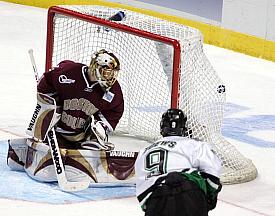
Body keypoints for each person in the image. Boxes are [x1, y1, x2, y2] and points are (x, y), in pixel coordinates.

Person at [7, 49, 128, 183]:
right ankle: (36, 150)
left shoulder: (113, 90)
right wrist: (52, 106)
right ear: (95, 67)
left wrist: (101, 125)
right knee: (45, 147)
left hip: (81, 135)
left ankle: (82, 163)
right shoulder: (69, 72)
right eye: (106, 72)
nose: (110, 77)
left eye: (113, 73)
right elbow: (46, 81)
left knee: (95, 149)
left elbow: (115, 110)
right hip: (56, 130)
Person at [135, 108, 222, 216]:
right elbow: (213, 172)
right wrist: (208, 199)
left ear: (162, 128)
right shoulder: (195, 145)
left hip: (157, 197)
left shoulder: (144, 152)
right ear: (184, 128)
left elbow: (141, 188)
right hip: (189, 192)